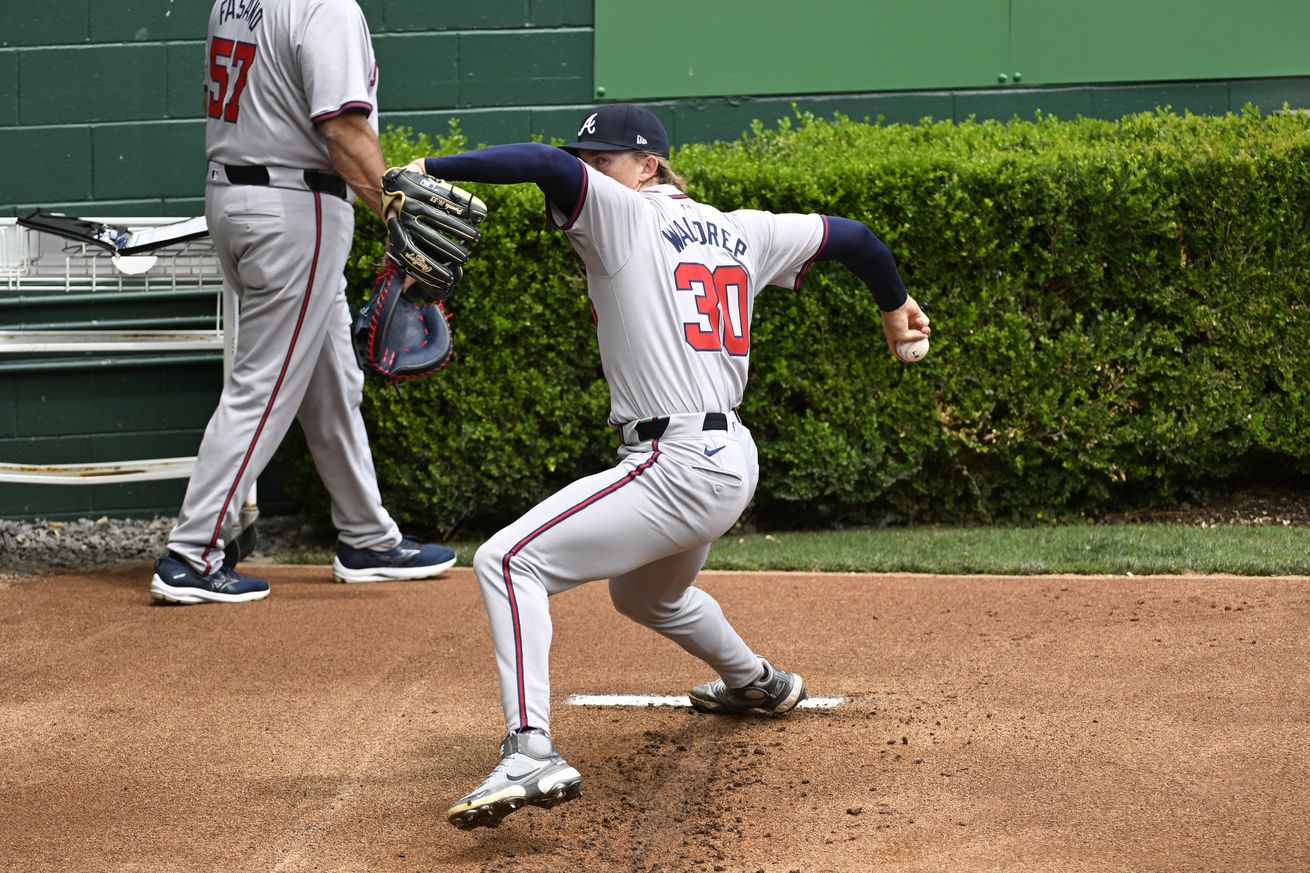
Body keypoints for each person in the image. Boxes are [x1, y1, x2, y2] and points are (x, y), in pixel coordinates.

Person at [412, 103, 931, 829]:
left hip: (676, 460)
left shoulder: (623, 214)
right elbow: (857, 238)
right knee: (646, 596)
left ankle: (530, 748)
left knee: (506, 561)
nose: (590, 173)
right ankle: (757, 683)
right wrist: (895, 303)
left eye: (605, 160)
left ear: (647, 164)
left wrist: (425, 168)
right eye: (590, 161)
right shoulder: (742, 229)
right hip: (728, 459)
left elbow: (543, 163)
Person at [148, 0, 456, 605]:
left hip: (237, 200)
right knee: (264, 385)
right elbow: (341, 127)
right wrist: (395, 213)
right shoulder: (327, 7)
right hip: (298, 207)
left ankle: (366, 537)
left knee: (331, 376)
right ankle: (193, 553)